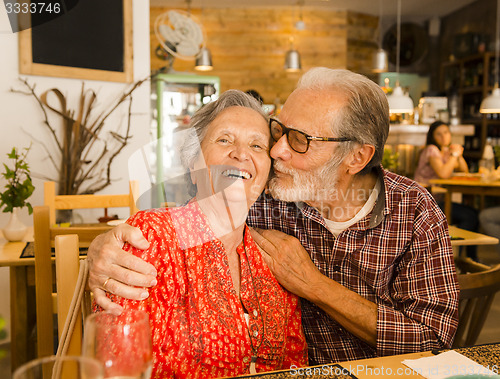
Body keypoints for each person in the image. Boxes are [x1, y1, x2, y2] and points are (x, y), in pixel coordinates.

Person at [88, 68, 459, 365]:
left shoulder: (414, 213)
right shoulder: (269, 191)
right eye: (277, 132)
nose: (277, 150)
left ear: (356, 158)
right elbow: (194, 198)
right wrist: (101, 247)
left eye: (299, 139)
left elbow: (434, 341)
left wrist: (312, 284)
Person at [98, 90, 307, 378]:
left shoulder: (274, 257)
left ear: (268, 173)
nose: (241, 154)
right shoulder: (151, 237)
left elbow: (295, 365)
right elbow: (118, 363)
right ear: (193, 160)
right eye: (224, 140)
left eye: (257, 146)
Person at [414, 120, 479, 260]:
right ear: (432, 137)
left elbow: (465, 171)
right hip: (427, 203)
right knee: (470, 216)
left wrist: (458, 155)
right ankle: (457, 257)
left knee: (473, 213)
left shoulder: (444, 152)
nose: (444, 137)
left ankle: (467, 257)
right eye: (439, 134)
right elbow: (443, 173)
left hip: (439, 200)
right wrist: (454, 156)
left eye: (446, 132)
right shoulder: (432, 149)